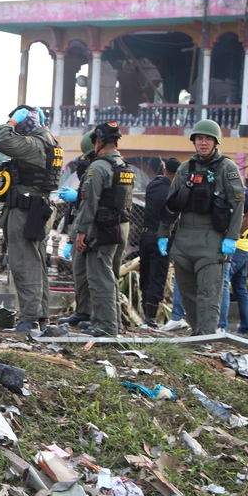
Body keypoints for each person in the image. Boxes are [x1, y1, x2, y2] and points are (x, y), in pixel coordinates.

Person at [157, 119, 245, 335]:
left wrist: (232, 236)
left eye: (207, 139)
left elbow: (238, 202)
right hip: (185, 238)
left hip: (212, 238)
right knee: (187, 292)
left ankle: (206, 336)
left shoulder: (227, 168)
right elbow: (171, 203)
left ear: (216, 142)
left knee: (209, 292)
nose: (203, 143)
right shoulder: (186, 168)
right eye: (199, 138)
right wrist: (163, 234)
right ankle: (198, 331)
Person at [0, 105, 62, 333]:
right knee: (37, 264)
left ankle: (28, 320)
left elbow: (1, 141)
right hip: (39, 208)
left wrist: (11, 122)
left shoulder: (33, 144)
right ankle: (39, 318)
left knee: (24, 265)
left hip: (26, 210)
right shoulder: (51, 142)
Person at [75, 122, 135, 337]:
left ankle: (106, 326)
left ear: (98, 141)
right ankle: (112, 322)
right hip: (121, 226)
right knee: (111, 276)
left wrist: (81, 231)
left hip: (103, 228)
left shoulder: (99, 167)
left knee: (100, 276)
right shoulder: (124, 166)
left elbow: (89, 202)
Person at [57, 131, 95, 327]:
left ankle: (94, 315)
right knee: (80, 273)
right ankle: (82, 311)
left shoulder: (99, 171)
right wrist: (70, 239)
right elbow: (75, 214)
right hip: (80, 230)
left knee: (94, 277)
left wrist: (79, 197)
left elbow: (90, 205)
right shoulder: (86, 177)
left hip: (94, 231)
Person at [139, 158, 180, 327]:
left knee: (146, 274)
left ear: (164, 171)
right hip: (162, 237)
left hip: (145, 235)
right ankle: (150, 318)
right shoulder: (173, 192)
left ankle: (145, 315)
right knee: (158, 276)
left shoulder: (152, 186)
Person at [218, 189, 248, 334]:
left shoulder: (235, 205)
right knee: (241, 290)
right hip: (246, 251)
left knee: (222, 284)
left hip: (233, 249)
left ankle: (222, 324)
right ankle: (247, 327)